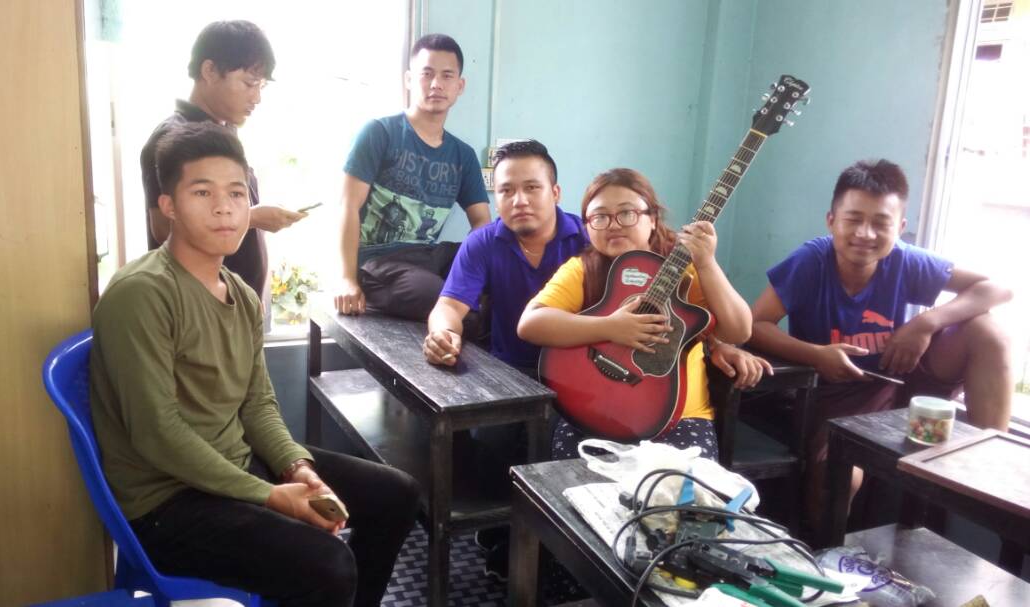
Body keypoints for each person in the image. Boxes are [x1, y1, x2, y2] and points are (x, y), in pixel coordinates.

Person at [93, 122, 419, 607]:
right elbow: (157, 433)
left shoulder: (241, 295)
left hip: (234, 464)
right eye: (202, 192)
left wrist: (296, 467)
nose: (224, 207)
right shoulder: (142, 294)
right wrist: (269, 495)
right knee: (328, 565)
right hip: (166, 503)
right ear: (169, 206)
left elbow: (257, 404)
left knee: (395, 494)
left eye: (236, 193)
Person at [748, 158, 1013, 530]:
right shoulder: (812, 261)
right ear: (831, 221)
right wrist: (816, 355)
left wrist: (925, 322)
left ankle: (989, 467)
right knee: (838, 475)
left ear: (900, 227)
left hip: (904, 377)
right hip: (841, 394)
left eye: (880, 223)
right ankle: (821, 551)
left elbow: (998, 288)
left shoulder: (905, 260)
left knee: (988, 331)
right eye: (853, 219)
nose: (865, 233)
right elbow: (755, 324)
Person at [517, 168, 767, 461]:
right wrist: (611, 327)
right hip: (590, 411)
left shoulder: (685, 270)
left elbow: (739, 330)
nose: (614, 225)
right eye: (600, 217)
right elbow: (530, 323)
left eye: (627, 213)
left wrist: (707, 263)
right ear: (587, 226)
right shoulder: (583, 269)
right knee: (570, 486)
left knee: (677, 488)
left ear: (653, 219)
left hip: (678, 418)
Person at [140, 20, 306, 300]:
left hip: (235, 302)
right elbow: (164, 229)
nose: (257, 97)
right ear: (209, 71)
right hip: (198, 304)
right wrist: (253, 217)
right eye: (249, 83)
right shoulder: (173, 137)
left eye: (262, 86)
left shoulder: (224, 130)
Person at [334, 33, 490, 319]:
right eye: (426, 74)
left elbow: (481, 222)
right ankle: (468, 322)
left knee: (498, 272)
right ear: (409, 80)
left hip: (428, 256)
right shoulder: (380, 133)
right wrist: (347, 279)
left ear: (460, 86)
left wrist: (476, 268)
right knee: (433, 293)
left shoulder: (463, 155)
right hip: (378, 262)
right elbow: (348, 206)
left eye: (446, 76)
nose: (436, 84)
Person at [423, 140, 588, 372]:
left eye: (532, 187)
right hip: (508, 371)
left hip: (581, 371)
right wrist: (443, 334)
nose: (519, 201)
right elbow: (449, 306)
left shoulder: (587, 238)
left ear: (555, 193)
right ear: (496, 202)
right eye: (506, 191)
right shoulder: (482, 242)